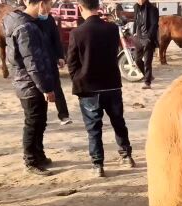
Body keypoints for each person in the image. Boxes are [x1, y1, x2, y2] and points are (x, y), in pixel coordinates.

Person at [67, 0, 135, 177]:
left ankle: (98, 165)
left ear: (80, 8)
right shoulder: (111, 29)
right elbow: (113, 52)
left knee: (93, 128)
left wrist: (77, 78)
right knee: (118, 122)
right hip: (111, 84)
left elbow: (72, 62)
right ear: (98, 7)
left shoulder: (77, 32)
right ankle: (126, 156)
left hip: (88, 87)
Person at [4, 0, 57, 176]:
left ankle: (39, 154)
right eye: (50, 4)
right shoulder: (25, 27)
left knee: (40, 120)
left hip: (30, 81)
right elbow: (32, 62)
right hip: (29, 83)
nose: (50, 9)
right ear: (42, 4)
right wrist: (45, 88)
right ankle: (30, 160)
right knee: (33, 122)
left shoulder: (26, 23)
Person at [36, 12, 72, 125]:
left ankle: (64, 115)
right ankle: (40, 118)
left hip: (50, 58)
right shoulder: (29, 20)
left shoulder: (49, 19)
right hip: (36, 61)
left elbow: (56, 38)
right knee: (39, 89)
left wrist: (60, 56)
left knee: (56, 87)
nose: (48, 7)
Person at [132, 0, 158, 90]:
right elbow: (135, 20)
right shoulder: (136, 7)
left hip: (148, 38)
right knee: (137, 59)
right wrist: (134, 33)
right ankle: (149, 76)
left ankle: (147, 82)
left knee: (147, 61)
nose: (139, 0)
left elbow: (154, 25)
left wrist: (148, 38)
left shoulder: (153, 9)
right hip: (138, 38)